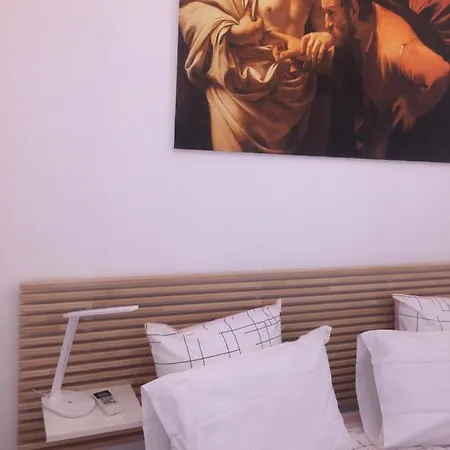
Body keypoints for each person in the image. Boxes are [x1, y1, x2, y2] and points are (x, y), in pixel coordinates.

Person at [273, 0, 450, 159]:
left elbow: (441, 72)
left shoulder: (396, 47)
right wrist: (300, 51)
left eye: (331, 13)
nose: (326, 23)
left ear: (354, 9)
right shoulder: (361, 25)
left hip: (400, 148)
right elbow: (344, 62)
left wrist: (412, 103)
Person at [178, 0, 335, 154]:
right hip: (242, 89)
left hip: (294, 93)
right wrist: (233, 33)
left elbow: (331, 44)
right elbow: (192, 10)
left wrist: (327, 40)